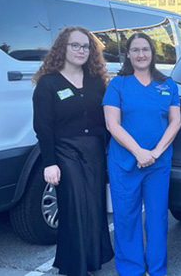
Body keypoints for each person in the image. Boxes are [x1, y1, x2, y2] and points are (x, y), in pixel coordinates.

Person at [32, 26, 114, 276]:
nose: (81, 50)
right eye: (75, 45)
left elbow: (108, 120)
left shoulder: (96, 82)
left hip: (95, 152)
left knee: (95, 208)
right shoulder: (48, 83)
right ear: (62, 49)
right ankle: (72, 268)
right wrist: (49, 162)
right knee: (75, 207)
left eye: (86, 46)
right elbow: (43, 126)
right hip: (65, 152)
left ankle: (91, 261)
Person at [103, 32, 181, 276]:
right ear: (128, 54)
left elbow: (175, 122)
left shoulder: (168, 85)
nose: (140, 54)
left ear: (152, 53)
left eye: (145, 49)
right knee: (126, 218)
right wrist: (138, 152)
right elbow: (112, 124)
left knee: (157, 218)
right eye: (135, 50)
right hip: (125, 162)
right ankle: (130, 269)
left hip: (158, 164)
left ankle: (157, 269)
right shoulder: (117, 84)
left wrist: (155, 153)